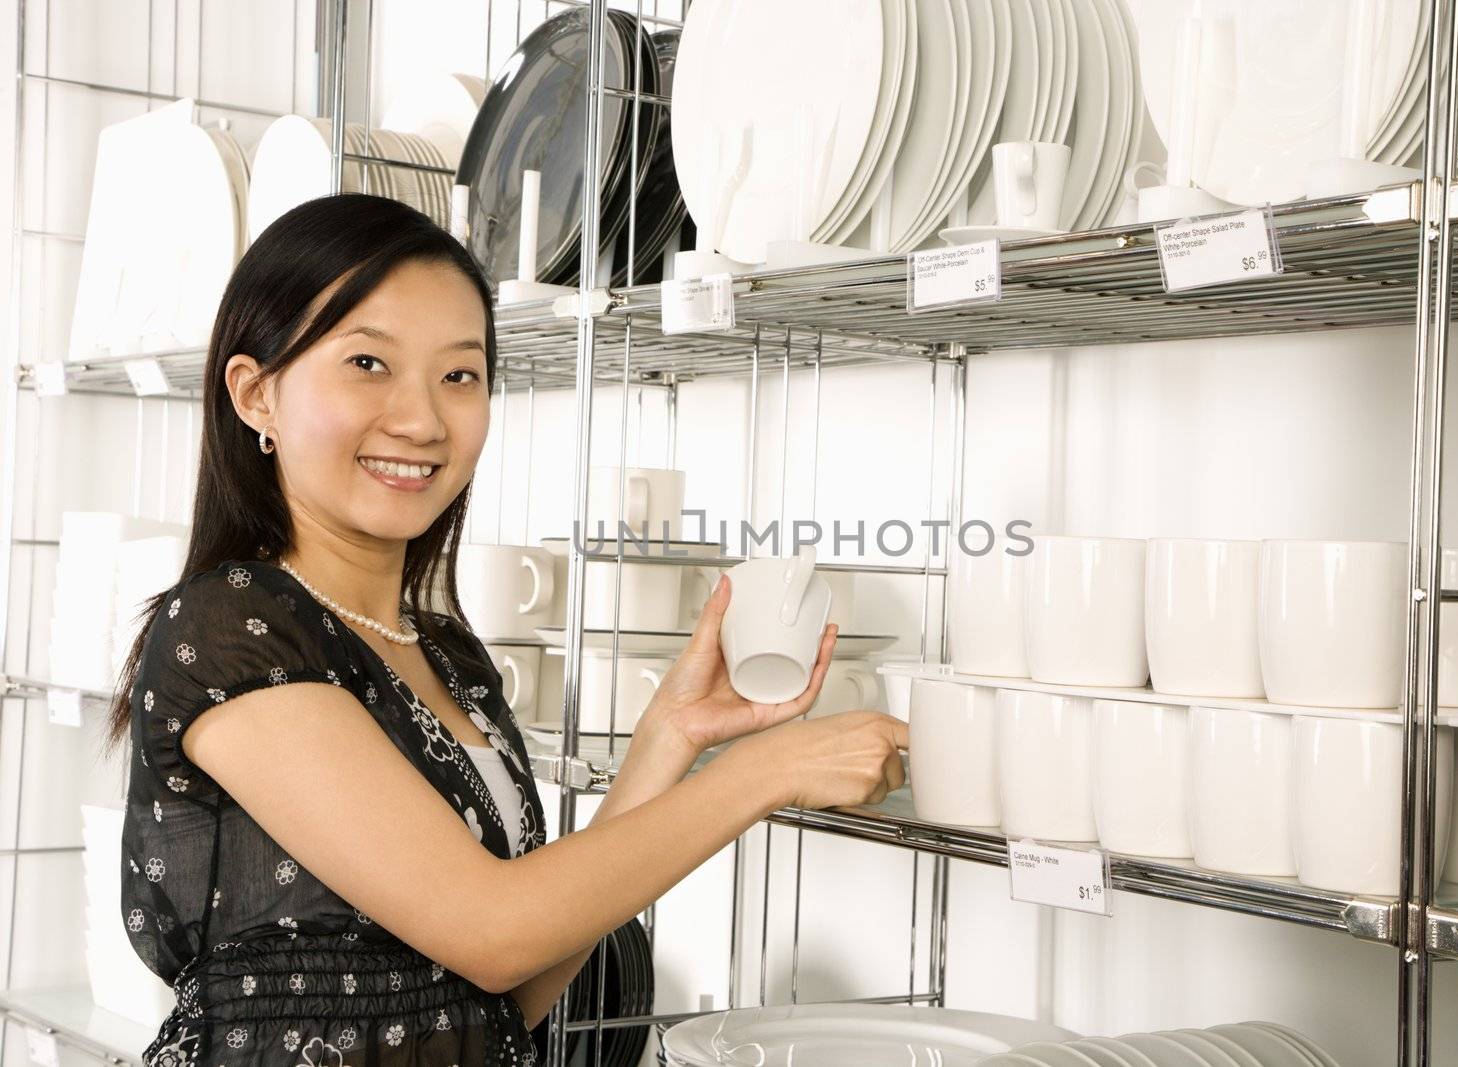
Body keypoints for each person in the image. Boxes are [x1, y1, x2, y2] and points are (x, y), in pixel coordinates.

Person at [101, 192, 909, 1067]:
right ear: (257, 394)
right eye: (368, 362)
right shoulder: (232, 627)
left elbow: (508, 982)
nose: (421, 418)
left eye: (460, 374)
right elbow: (493, 928)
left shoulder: (444, 653)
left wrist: (669, 737)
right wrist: (768, 771)